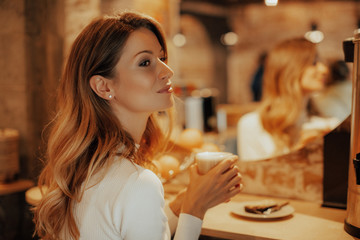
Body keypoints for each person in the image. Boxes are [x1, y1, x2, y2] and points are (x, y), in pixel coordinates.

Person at [33, 11, 242, 240]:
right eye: (145, 62)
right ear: (104, 87)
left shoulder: (86, 169)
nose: (167, 71)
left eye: (162, 58)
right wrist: (195, 208)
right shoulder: (139, 183)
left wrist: (181, 203)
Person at [237, 37, 339, 161]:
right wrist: (299, 153)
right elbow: (254, 177)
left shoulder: (328, 124)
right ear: (290, 70)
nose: (324, 70)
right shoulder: (252, 125)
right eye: (313, 63)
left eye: (322, 63)